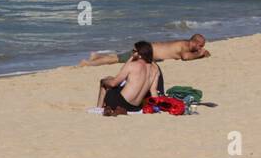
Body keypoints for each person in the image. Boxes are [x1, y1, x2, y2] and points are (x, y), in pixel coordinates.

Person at [81, 32, 210, 69]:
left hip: (148, 49)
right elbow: (186, 57)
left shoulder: (185, 44)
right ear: (194, 42)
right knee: (116, 59)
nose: (201, 48)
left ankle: (96, 55)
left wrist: (200, 53)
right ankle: (89, 63)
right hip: (146, 51)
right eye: (200, 46)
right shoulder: (184, 47)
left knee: (119, 56)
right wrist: (199, 54)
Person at [98, 41, 162, 114]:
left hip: (120, 102)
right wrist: (157, 107)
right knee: (112, 81)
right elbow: (153, 91)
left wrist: (103, 81)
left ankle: (98, 109)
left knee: (105, 81)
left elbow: (114, 83)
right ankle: (108, 108)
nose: (132, 53)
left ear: (139, 54)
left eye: (133, 51)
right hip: (135, 107)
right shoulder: (155, 69)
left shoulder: (132, 65)